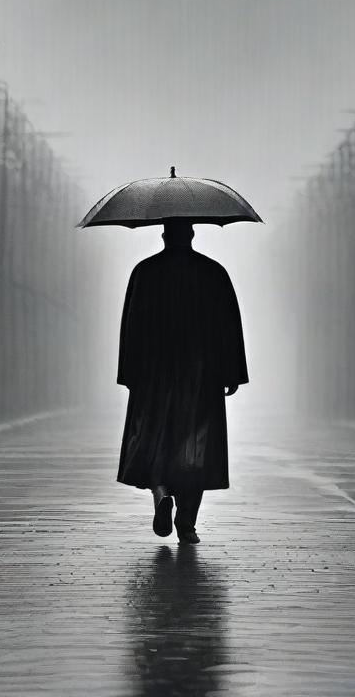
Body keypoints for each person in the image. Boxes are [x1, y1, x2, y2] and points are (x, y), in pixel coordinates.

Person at [116, 217, 248, 544]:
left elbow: (131, 329)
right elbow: (229, 327)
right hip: (200, 376)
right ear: (190, 234)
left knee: (155, 440)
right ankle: (186, 522)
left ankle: (161, 493)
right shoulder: (213, 273)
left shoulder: (144, 273)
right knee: (196, 446)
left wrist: (130, 375)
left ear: (164, 235)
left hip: (154, 376)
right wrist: (231, 373)